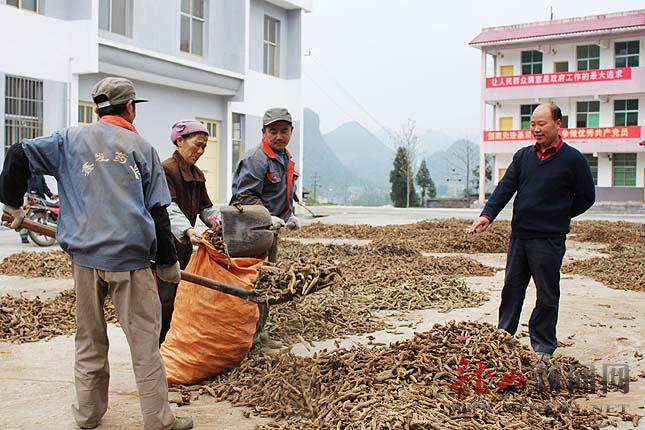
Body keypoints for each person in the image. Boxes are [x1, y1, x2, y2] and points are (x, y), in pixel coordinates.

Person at [0, 77, 193, 430]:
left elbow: (17, 154)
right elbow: (158, 212)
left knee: (89, 339)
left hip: (85, 261)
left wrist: (12, 204)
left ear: (96, 109)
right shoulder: (142, 148)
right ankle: (159, 420)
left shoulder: (68, 140)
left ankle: (88, 415)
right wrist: (168, 264)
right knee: (144, 344)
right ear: (131, 107)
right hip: (132, 265)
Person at [468, 103, 595, 359]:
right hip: (520, 236)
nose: (535, 129)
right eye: (532, 124)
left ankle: (544, 345)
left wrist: (559, 214)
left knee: (547, 293)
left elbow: (586, 197)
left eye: (542, 124)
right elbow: (505, 187)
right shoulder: (523, 156)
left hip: (549, 238)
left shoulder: (573, 160)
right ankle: (503, 336)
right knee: (512, 288)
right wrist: (487, 215)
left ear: (558, 124)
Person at [159, 120, 219, 344]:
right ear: (180, 141)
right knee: (165, 299)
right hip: (165, 247)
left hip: (184, 247)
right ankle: (161, 348)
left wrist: (219, 224)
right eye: (197, 145)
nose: (201, 151)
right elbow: (168, 207)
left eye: (204, 147)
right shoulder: (166, 169)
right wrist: (188, 230)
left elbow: (206, 208)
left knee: (182, 297)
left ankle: (177, 343)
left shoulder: (197, 174)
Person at [230, 107, 300, 234]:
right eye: (273, 132)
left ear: (291, 131)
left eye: (284, 131)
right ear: (264, 132)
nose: (279, 137)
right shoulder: (256, 158)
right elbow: (246, 196)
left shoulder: (285, 158)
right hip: (250, 230)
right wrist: (266, 218)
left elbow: (283, 192)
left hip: (273, 229)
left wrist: (289, 216)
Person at [18, 174, 57, 243]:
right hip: (28, 197)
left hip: (39, 198)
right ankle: (23, 234)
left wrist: (51, 195)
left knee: (53, 207)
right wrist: (25, 200)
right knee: (25, 215)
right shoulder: (25, 172)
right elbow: (22, 187)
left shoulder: (40, 175)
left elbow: (44, 186)